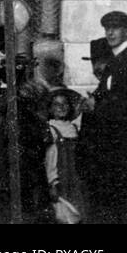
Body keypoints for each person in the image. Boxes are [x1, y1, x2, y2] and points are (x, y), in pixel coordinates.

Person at [78, 12, 127, 224]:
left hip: (118, 146)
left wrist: (95, 105)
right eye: (107, 28)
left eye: (116, 27)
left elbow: (125, 106)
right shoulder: (118, 59)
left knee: (116, 203)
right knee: (114, 202)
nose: (110, 32)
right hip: (113, 147)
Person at [0, 80, 53, 224]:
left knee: (1, 214)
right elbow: (39, 144)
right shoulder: (27, 116)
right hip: (24, 175)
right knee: (27, 214)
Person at [46, 87, 83, 223]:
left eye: (65, 104)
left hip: (75, 178)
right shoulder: (51, 128)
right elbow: (50, 158)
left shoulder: (73, 128)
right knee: (63, 215)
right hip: (61, 180)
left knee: (78, 213)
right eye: (57, 104)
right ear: (50, 109)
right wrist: (52, 182)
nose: (61, 107)